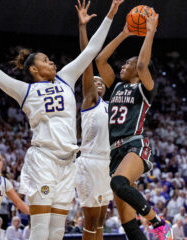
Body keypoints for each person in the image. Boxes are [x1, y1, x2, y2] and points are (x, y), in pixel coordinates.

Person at [0, 2, 123, 239]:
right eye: (46, 60)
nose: (52, 62)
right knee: (41, 230)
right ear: (34, 69)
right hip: (43, 160)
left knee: (57, 232)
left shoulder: (65, 78)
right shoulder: (25, 91)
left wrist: (111, 14)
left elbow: (91, 50)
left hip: (68, 164)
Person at [95, 8, 172, 240]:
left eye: (127, 64)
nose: (123, 67)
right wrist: (124, 33)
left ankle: (160, 224)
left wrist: (150, 32)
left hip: (134, 145)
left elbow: (141, 66)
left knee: (118, 182)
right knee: (128, 223)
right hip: (115, 151)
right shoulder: (117, 86)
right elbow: (100, 59)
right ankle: (151, 227)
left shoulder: (144, 87)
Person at [74, 1, 113, 240]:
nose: (97, 83)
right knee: (90, 220)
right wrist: (82, 28)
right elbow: (87, 60)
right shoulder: (90, 100)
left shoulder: (111, 106)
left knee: (100, 220)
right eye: (93, 81)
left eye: (101, 82)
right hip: (89, 163)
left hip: (107, 164)